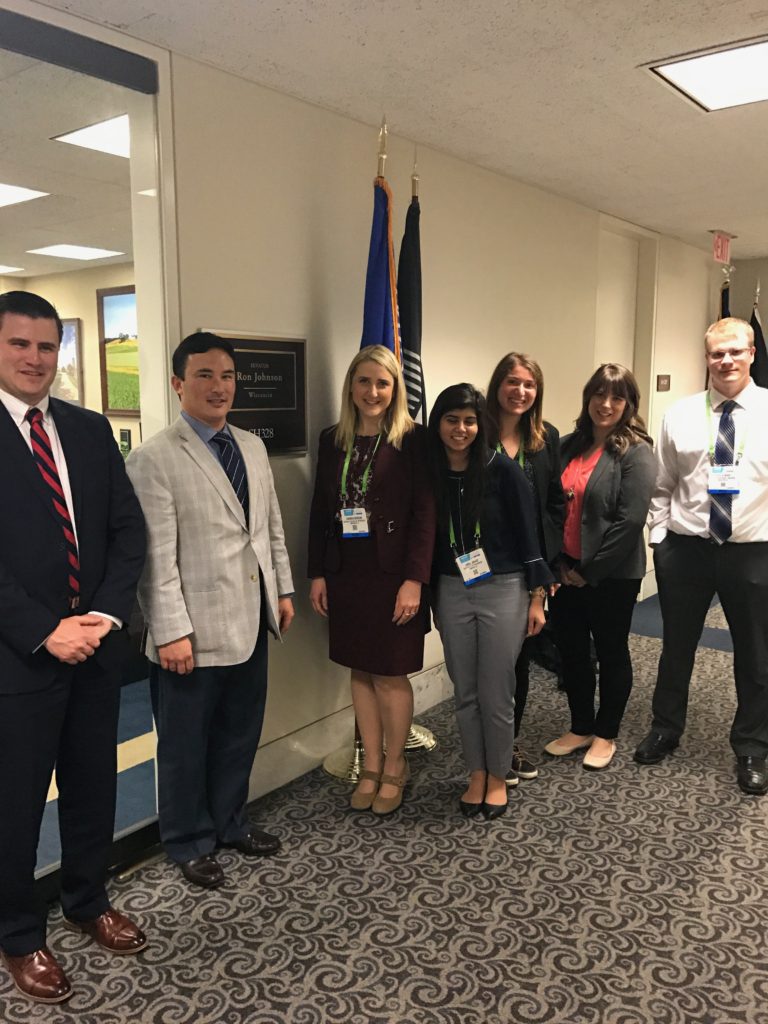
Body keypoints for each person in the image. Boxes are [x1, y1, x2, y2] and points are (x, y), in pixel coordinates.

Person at [0, 291, 147, 1004]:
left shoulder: (88, 432)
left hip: (96, 650)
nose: (34, 359)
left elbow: (128, 532)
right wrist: (43, 629)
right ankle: (18, 933)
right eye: (18, 344)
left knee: (95, 786)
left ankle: (87, 901)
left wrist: (104, 617)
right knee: (15, 804)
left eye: (45, 346)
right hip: (17, 660)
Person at [126, 332, 294, 890]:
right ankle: (187, 839)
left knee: (238, 733)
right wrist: (170, 631)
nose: (217, 387)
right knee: (184, 743)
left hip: (251, 618)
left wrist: (283, 592)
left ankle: (229, 823)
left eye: (226, 376)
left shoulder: (249, 445)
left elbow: (268, 530)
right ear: (178, 383)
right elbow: (155, 558)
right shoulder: (153, 459)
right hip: (190, 634)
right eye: (203, 375)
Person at [635, 317, 768, 796]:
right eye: (716, 354)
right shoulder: (681, 414)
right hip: (687, 550)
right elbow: (662, 485)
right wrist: (660, 541)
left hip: (752, 553)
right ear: (706, 358)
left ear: (752, 353)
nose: (726, 361)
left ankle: (752, 745)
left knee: (756, 654)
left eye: (735, 351)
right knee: (677, 647)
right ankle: (666, 728)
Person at [308, 345, 435, 816]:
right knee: (359, 669)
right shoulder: (332, 438)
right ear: (351, 387)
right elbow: (321, 509)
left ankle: (396, 765)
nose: (373, 391)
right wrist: (318, 571)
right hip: (347, 572)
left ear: (396, 388)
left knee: (390, 672)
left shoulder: (412, 439)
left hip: (393, 575)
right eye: (364, 381)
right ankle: (370, 764)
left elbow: (426, 513)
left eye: (382, 383)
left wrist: (414, 580)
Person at [428, 384, 553, 819]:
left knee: (495, 690)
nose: (460, 429)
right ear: (438, 423)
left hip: (504, 587)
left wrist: (537, 599)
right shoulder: (431, 470)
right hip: (450, 587)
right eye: (451, 419)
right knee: (464, 691)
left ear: (481, 424)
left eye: (469, 420)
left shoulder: (503, 470)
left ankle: (498, 775)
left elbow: (530, 535)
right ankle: (476, 772)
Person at [546, 364, 655, 770]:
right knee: (571, 651)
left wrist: (589, 572)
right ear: (587, 397)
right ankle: (580, 726)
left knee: (610, 651)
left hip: (611, 576)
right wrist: (559, 564)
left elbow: (630, 521)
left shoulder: (636, 451)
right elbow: (552, 508)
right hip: (565, 570)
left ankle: (606, 733)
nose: (605, 404)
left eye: (616, 397)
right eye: (598, 394)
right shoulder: (569, 444)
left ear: (629, 404)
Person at [486, 352, 565, 784]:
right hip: (484, 568)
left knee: (518, 660)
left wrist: (544, 572)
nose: (520, 391)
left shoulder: (545, 438)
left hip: (528, 571)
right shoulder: (476, 433)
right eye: (512, 382)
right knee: (484, 665)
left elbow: (554, 505)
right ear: (498, 384)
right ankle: (483, 744)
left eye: (529, 385)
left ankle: (507, 744)